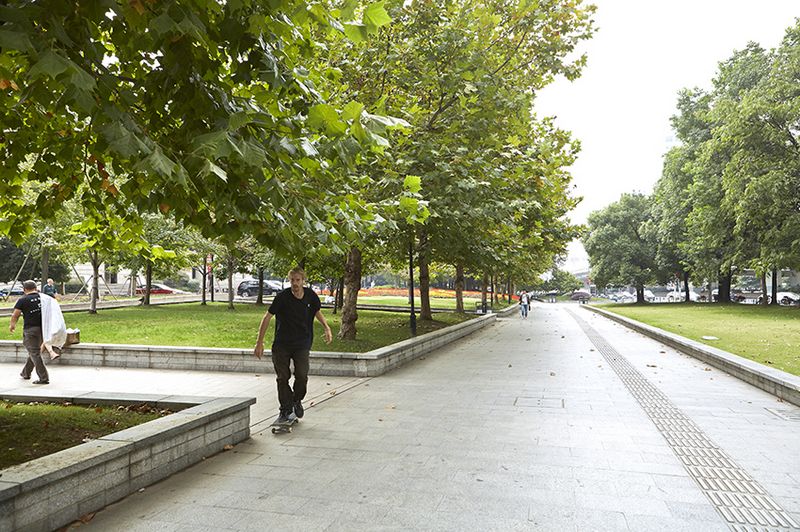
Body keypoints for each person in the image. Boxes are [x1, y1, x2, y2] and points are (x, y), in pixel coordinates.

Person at [254, 267, 333, 423]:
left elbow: (317, 311)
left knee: (302, 375)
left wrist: (326, 327)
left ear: (303, 280)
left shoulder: (310, 295)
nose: (295, 283)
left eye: (298, 280)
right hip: (282, 344)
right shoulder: (282, 297)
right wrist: (259, 342)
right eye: (292, 280)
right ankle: (285, 409)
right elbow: (267, 317)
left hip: (302, 343)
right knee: (282, 377)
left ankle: (296, 400)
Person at [8, 280, 49, 384]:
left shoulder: (23, 299)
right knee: (34, 351)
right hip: (43, 328)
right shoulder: (43, 298)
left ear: (24, 289)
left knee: (34, 352)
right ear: (36, 288)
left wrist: (12, 325)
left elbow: (15, 315)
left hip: (30, 329)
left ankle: (44, 378)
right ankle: (25, 373)